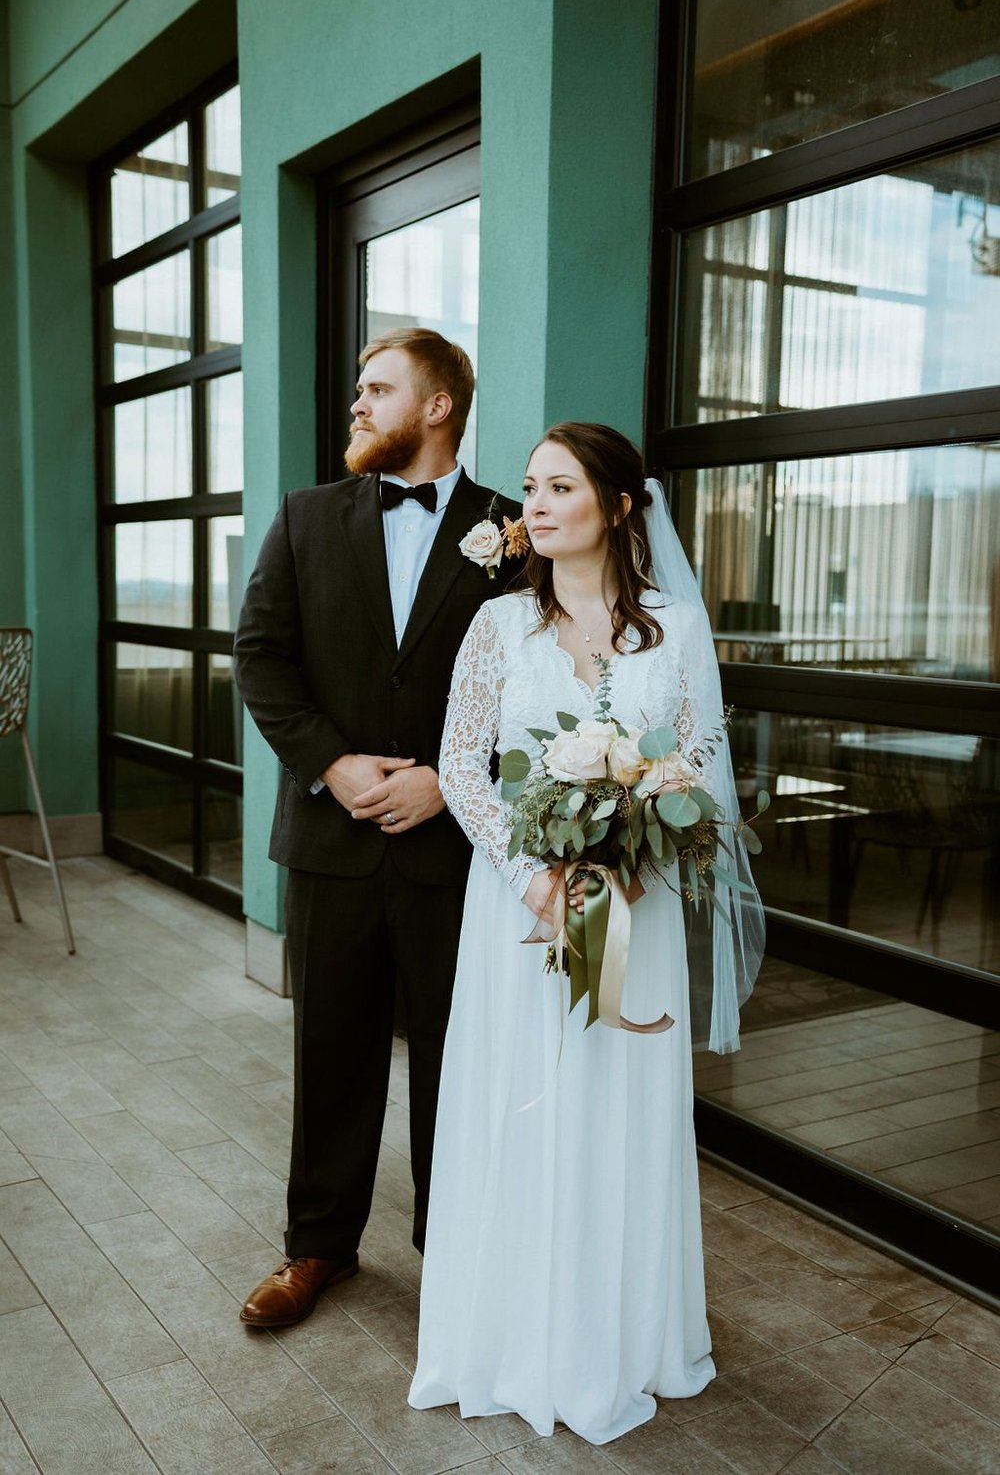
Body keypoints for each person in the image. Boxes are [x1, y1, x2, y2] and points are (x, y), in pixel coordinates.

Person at [408, 422, 765, 1443]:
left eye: (561, 486)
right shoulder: (495, 630)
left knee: (610, 1096)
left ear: (616, 505)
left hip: (630, 908)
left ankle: (620, 1336)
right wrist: (532, 878)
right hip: (519, 909)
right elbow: (461, 767)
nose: (538, 503)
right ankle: (509, 1336)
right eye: (529, 487)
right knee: (519, 1100)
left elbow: (692, 758)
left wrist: (629, 852)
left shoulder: (674, 627)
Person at [233, 327, 522, 1329]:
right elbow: (260, 658)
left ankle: (454, 1254)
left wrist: (452, 781)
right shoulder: (306, 518)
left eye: (377, 389)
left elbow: (542, 690)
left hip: (457, 849)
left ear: (438, 406)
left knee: (460, 1055)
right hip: (334, 843)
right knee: (332, 1052)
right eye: (359, 390)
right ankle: (316, 1249)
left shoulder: (515, 531)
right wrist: (330, 764)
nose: (357, 405)